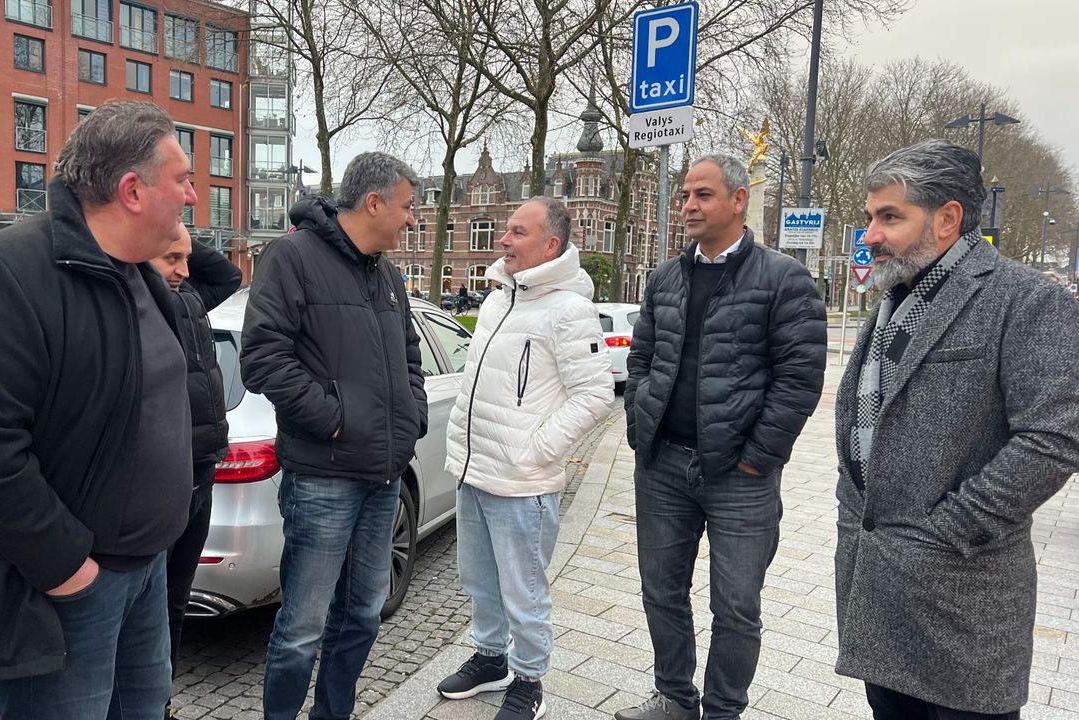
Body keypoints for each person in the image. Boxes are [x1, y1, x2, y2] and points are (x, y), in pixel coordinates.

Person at [0, 100, 197, 719]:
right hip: (71, 590)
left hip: (146, 573)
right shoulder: (0, 272)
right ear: (131, 190)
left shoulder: (138, 274)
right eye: (183, 179)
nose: (193, 196)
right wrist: (68, 570)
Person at [834, 139, 1079, 719]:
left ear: (948, 219)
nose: (871, 233)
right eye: (871, 216)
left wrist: (953, 529)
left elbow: (1055, 435)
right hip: (880, 594)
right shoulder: (896, 295)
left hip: (963, 600)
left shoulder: (1026, 300)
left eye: (889, 216)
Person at [618, 154, 827, 720]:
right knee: (661, 591)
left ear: (738, 201)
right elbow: (641, 360)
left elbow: (800, 377)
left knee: (736, 606)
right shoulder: (664, 277)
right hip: (663, 466)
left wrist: (759, 459)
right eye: (685, 195)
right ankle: (675, 697)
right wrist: (642, 427)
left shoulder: (783, 278)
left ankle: (723, 710)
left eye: (703, 195)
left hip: (740, 475)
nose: (688, 205)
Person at [239, 151, 428, 720]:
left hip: (383, 476)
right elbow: (263, 358)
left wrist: (411, 415)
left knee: (366, 612)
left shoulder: (389, 274)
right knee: (302, 624)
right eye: (407, 207)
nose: (412, 220)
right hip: (322, 478)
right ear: (373, 203)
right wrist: (335, 418)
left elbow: (410, 356)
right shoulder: (292, 258)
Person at [439, 197, 613, 720]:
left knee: (525, 589)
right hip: (476, 470)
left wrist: (536, 451)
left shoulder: (569, 310)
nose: (504, 240)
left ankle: (529, 681)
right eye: (506, 230)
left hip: (523, 482)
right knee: (479, 577)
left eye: (517, 232)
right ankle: (490, 659)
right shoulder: (498, 299)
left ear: (550, 245)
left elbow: (596, 395)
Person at [150, 223, 242, 718]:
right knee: (150, 608)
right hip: (164, 478)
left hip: (201, 472)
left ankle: (159, 697)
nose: (183, 271)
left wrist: (177, 238)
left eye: (186, 260)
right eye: (170, 260)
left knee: (174, 604)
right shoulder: (143, 301)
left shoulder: (187, 298)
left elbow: (226, 274)